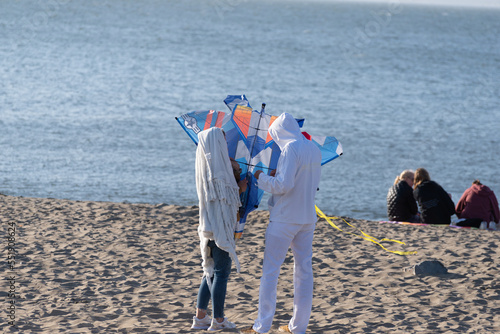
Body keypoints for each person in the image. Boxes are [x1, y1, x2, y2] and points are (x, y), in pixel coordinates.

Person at [241, 113, 322, 334]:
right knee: (304, 272)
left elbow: (283, 186)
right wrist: (279, 176)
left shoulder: (289, 149)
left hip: (284, 218)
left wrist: (260, 176)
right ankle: (298, 327)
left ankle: (262, 326)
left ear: (279, 133)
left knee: (271, 272)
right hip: (307, 218)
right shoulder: (313, 148)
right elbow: (308, 182)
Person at [191, 127, 247, 331]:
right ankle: (219, 320)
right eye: (222, 140)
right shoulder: (220, 169)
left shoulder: (206, 166)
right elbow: (227, 199)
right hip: (219, 227)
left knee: (211, 272)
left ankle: (200, 317)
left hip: (207, 225)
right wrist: (240, 188)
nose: (225, 143)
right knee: (221, 273)